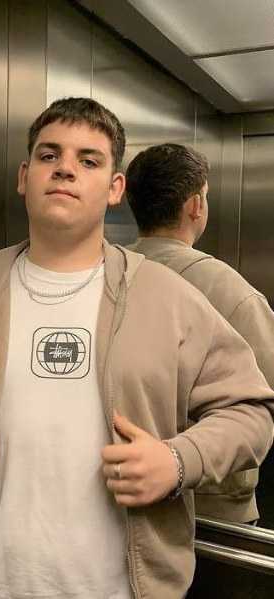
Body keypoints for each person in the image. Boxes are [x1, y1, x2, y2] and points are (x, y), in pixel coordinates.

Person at [0, 99, 274, 599]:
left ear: (115, 188)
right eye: (49, 155)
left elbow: (251, 412)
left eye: (88, 160)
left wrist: (177, 462)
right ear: (25, 177)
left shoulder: (167, 297)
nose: (65, 169)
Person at [126, 142, 274, 524]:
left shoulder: (104, 275)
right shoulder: (233, 292)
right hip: (212, 507)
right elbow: (261, 403)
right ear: (195, 206)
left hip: (118, 494)